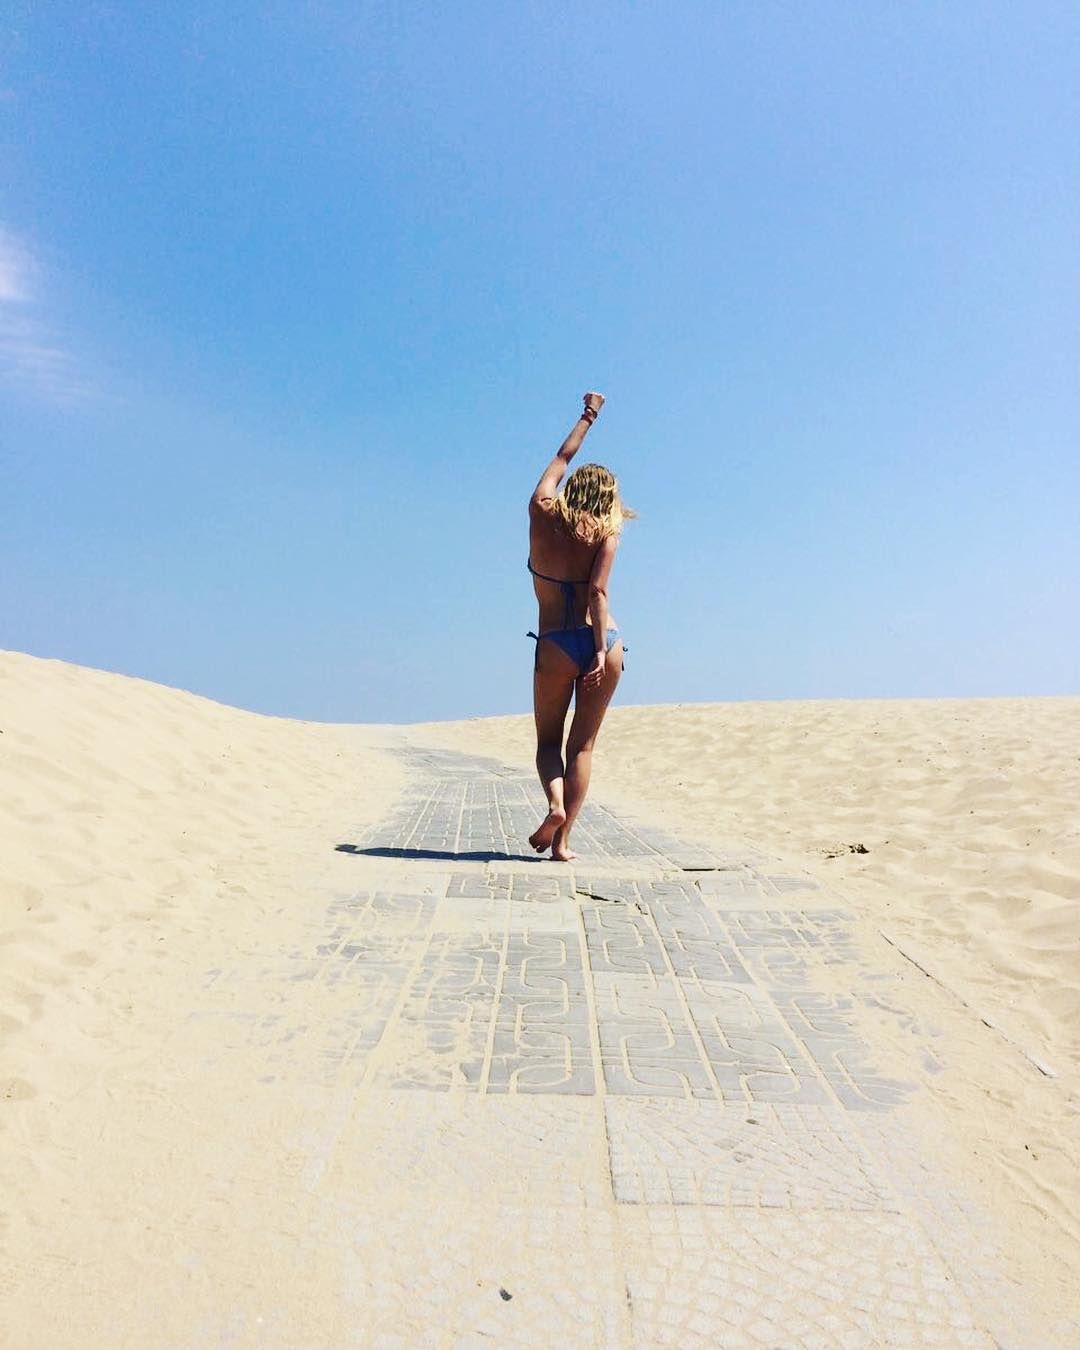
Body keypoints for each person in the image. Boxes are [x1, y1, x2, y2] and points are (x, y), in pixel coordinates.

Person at [526, 391, 633, 861]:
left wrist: (588, 415)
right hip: (602, 641)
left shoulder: (541, 511)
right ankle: (564, 842)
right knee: (583, 748)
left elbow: (562, 457)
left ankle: (554, 805)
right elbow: (598, 593)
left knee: (549, 742)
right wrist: (599, 652)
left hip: (555, 642)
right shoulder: (607, 534)